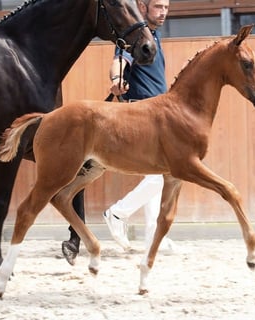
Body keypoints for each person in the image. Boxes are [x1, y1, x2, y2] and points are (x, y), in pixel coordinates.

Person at [62, 0, 173, 265]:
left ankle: (151, 235)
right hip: (140, 110)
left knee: (157, 175)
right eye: (158, 6)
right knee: (166, 172)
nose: (163, 12)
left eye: (167, 7)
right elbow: (119, 63)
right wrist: (116, 80)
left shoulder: (152, 36)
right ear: (143, 7)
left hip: (157, 111)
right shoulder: (134, 36)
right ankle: (118, 213)